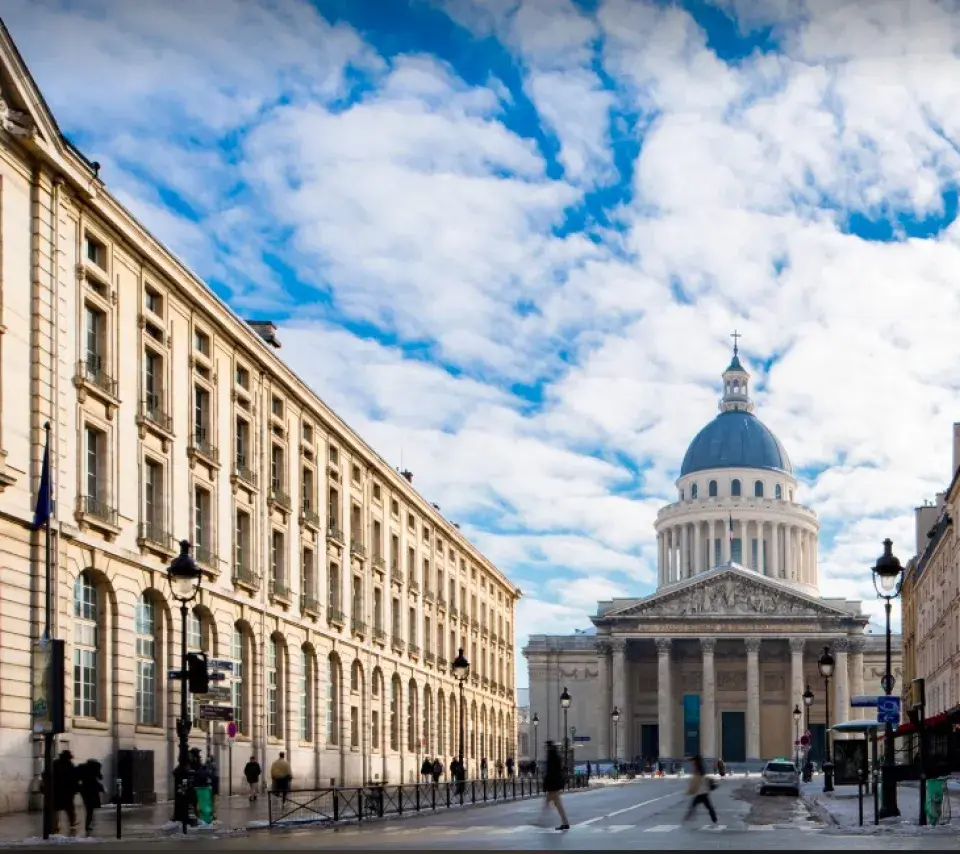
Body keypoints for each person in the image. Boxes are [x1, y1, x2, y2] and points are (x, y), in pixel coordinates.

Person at [540, 741, 569, 831]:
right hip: (556, 783)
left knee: (551, 802)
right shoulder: (556, 756)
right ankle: (565, 822)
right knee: (555, 802)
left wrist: (546, 784)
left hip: (553, 783)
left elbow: (550, 772)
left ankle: (542, 821)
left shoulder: (551, 757)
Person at [684, 754, 718, 824]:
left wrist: (690, 791)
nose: (692, 763)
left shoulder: (698, 769)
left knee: (696, 805)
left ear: (696, 761)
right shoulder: (700, 768)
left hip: (701, 792)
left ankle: (688, 817)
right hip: (703, 791)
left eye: (693, 761)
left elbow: (695, 781)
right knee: (707, 806)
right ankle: (714, 819)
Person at [51, 750, 78, 836]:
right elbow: (74, 777)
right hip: (67, 791)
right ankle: (72, 822)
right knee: (69, 808)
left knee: (55, 809)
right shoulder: (69, 765)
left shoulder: (55, 763)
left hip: (56, 790)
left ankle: (55, 825)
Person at [77, 760, 104, 838]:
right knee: (90, 809)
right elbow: (100, 777)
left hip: (84, 790)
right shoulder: (94, 770)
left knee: (89, 808)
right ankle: (88, 824)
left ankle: (89, 823)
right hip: (91, 791)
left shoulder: (85, 769)